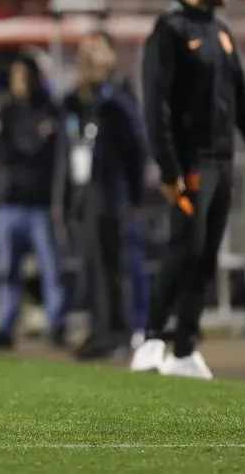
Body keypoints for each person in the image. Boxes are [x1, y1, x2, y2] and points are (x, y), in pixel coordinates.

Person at [131, 0, 245, 379]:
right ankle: (153, 338)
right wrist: (169, 167)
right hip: (190, 162)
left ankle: (184, 350)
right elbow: (154, 105)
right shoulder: (170, 31)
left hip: (221, 161)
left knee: (207, 257)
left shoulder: (220, 33)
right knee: (185, 249)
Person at [57, 31, 146, 361]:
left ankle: (121, 333)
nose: (90, 59)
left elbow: (136, 150)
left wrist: (133, 196)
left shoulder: (118, 99)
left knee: (116, 267)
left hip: (113, 194)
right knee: (92, 267)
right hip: (86, 194)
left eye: (98, 51)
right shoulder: (77, 102)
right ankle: (101, 329)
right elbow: (67, 148)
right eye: (85, 52)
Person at [0, 53, 66, 350]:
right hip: (9, 202)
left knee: (50, 268)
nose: (20, 83)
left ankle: (57, 325)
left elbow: (52, 153)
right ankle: (6, 326)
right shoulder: (5, 110)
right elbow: (4, 150)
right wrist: (35, 141)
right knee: (8, 270)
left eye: (24, 76)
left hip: (40, 203)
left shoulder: (50, 109)